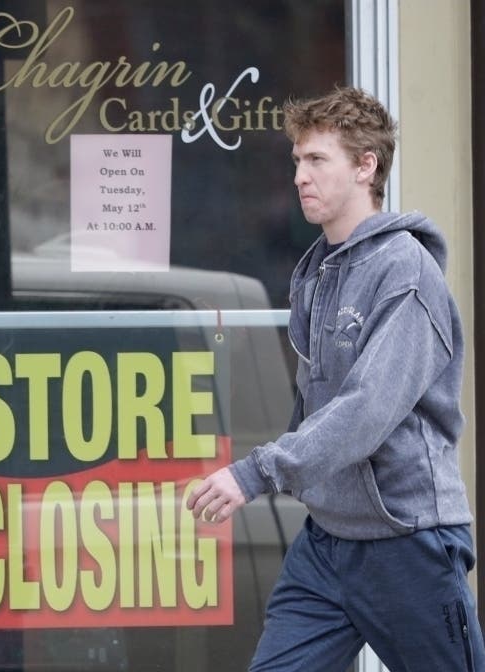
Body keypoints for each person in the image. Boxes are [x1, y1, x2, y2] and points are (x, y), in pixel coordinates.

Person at [186, 85, 485, 671]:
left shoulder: (405, 271)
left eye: (317, 159)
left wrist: (256, 472)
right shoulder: (319, 271)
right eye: (297, 160)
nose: (300, 175)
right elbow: (314, 400)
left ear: (365, 166)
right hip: (327, 543)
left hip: (407, 540)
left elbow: (366, 410)